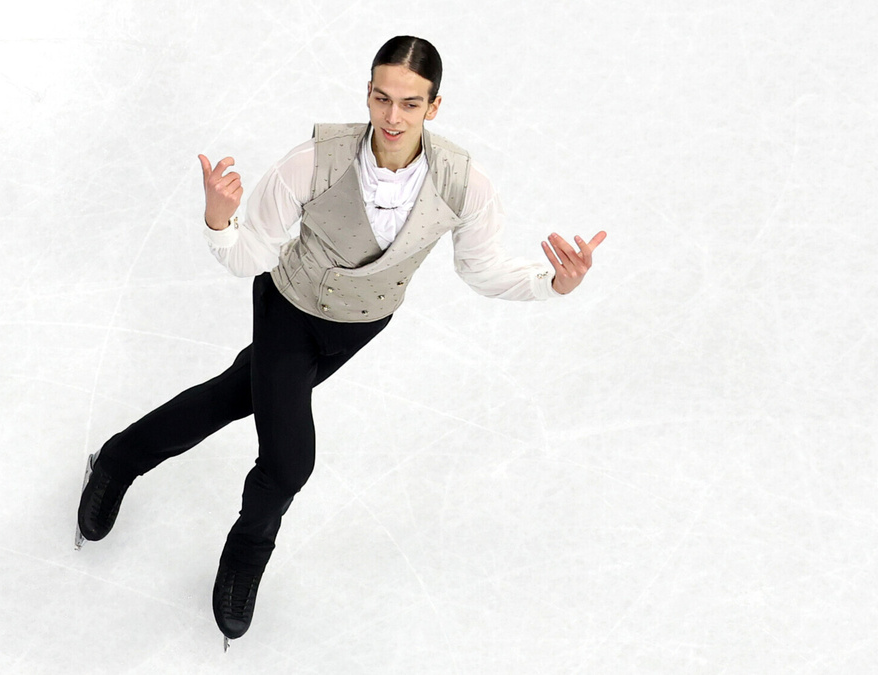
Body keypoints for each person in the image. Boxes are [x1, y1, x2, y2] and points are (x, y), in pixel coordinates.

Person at [75, 35, 606, 646]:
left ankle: (118, 458)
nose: (392, 116)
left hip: (360, 325)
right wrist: (220, 219)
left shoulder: (466, 184)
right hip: (288, 309)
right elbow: (249, 256)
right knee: (289, 461)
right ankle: (246, 552)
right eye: (382, 98)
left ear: (434, 106)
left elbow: (480, 270)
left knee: (234, 395)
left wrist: (553, 284)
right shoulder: (312, 162)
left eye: (410, 103)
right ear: (368, 94)